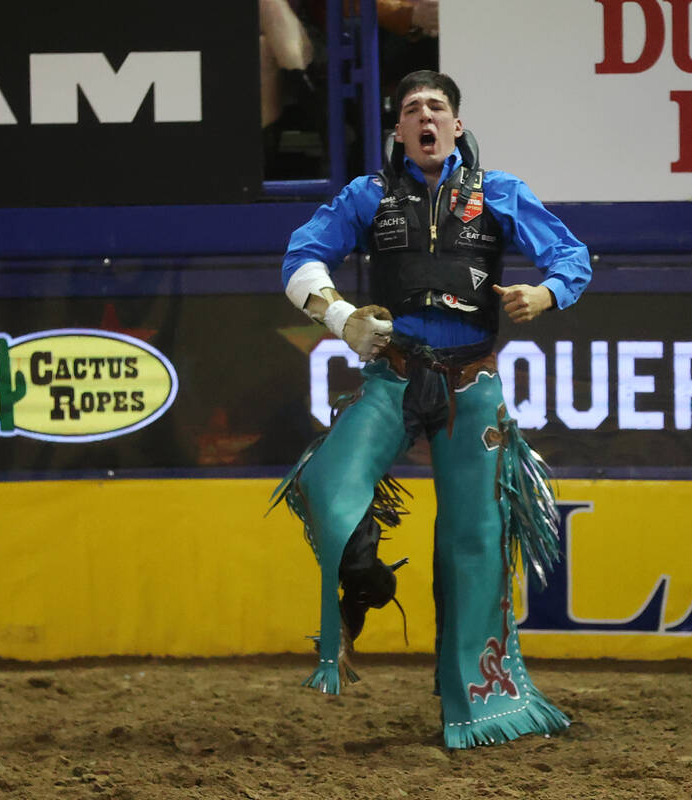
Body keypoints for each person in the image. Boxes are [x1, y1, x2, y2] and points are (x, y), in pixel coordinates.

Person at [272, 70, 591, 749]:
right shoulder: (367, 196)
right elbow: (300, 259)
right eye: (411, 108)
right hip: (394, 376)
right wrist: (340, 317)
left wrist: (547, 294)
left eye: (435, 107)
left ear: (455, 126)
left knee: (475, 540)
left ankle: (479, 702)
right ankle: (363, 579)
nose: (424, 116)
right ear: (398, 132)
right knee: (328, 484)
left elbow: (571, 255)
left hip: (472, 387)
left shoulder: (500, 193)